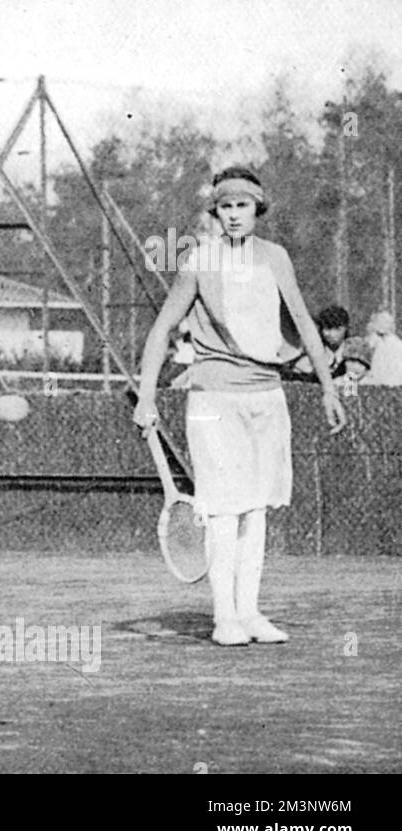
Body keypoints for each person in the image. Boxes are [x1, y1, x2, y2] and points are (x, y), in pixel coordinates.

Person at [134, 166, 345, 647]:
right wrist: (147, 395)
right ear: (216, 211)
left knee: (257, 510)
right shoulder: (199, 262)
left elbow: (304, 326)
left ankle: (248, 613)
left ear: (257, 210)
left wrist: (329, 388)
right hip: (213, 401)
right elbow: (162, 329)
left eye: (242, 206)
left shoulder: (276, 258)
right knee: (225, 511)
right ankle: (224, 618)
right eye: (225, 207)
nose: (233, 215)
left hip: (267, 395)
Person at [283, 304, 350, 382]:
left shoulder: (353, 351)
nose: (329, 333)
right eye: (326, 328)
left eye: (336, 328)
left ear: (345, 328)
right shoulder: (313, 353)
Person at [362, 311, 402, 386]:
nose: (367, 337)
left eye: (371, 332)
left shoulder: (388, 347)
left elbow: (382, 378)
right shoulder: (382, 345)